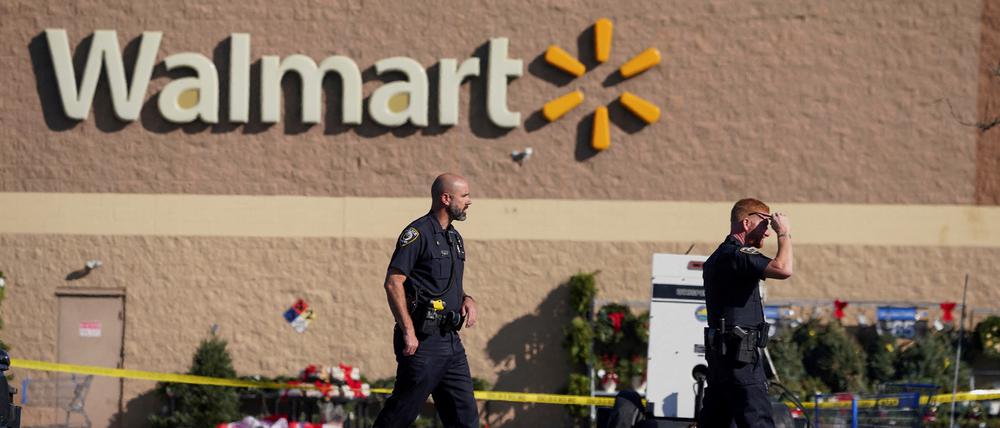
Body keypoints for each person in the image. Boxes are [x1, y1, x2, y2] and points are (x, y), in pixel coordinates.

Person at [372, 173, 479, 428]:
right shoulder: (417, 233)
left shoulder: (454, 238)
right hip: (423, 342)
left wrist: (467, 299)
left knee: (466, 420)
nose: (469, 201)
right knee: (400, 415)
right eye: (464, 196)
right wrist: (408, 330)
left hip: (451, 342)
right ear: (445, 198)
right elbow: (393, 282)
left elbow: (445, 285)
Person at [698, 198, 793, 428]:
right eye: (765, 223)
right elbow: (784, 269)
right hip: (741, 361)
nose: (768, 232)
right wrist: (785, 234)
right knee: (757, 422)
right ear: (746, 223)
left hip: (722, 361)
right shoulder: (737, 254)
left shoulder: (717, 257)